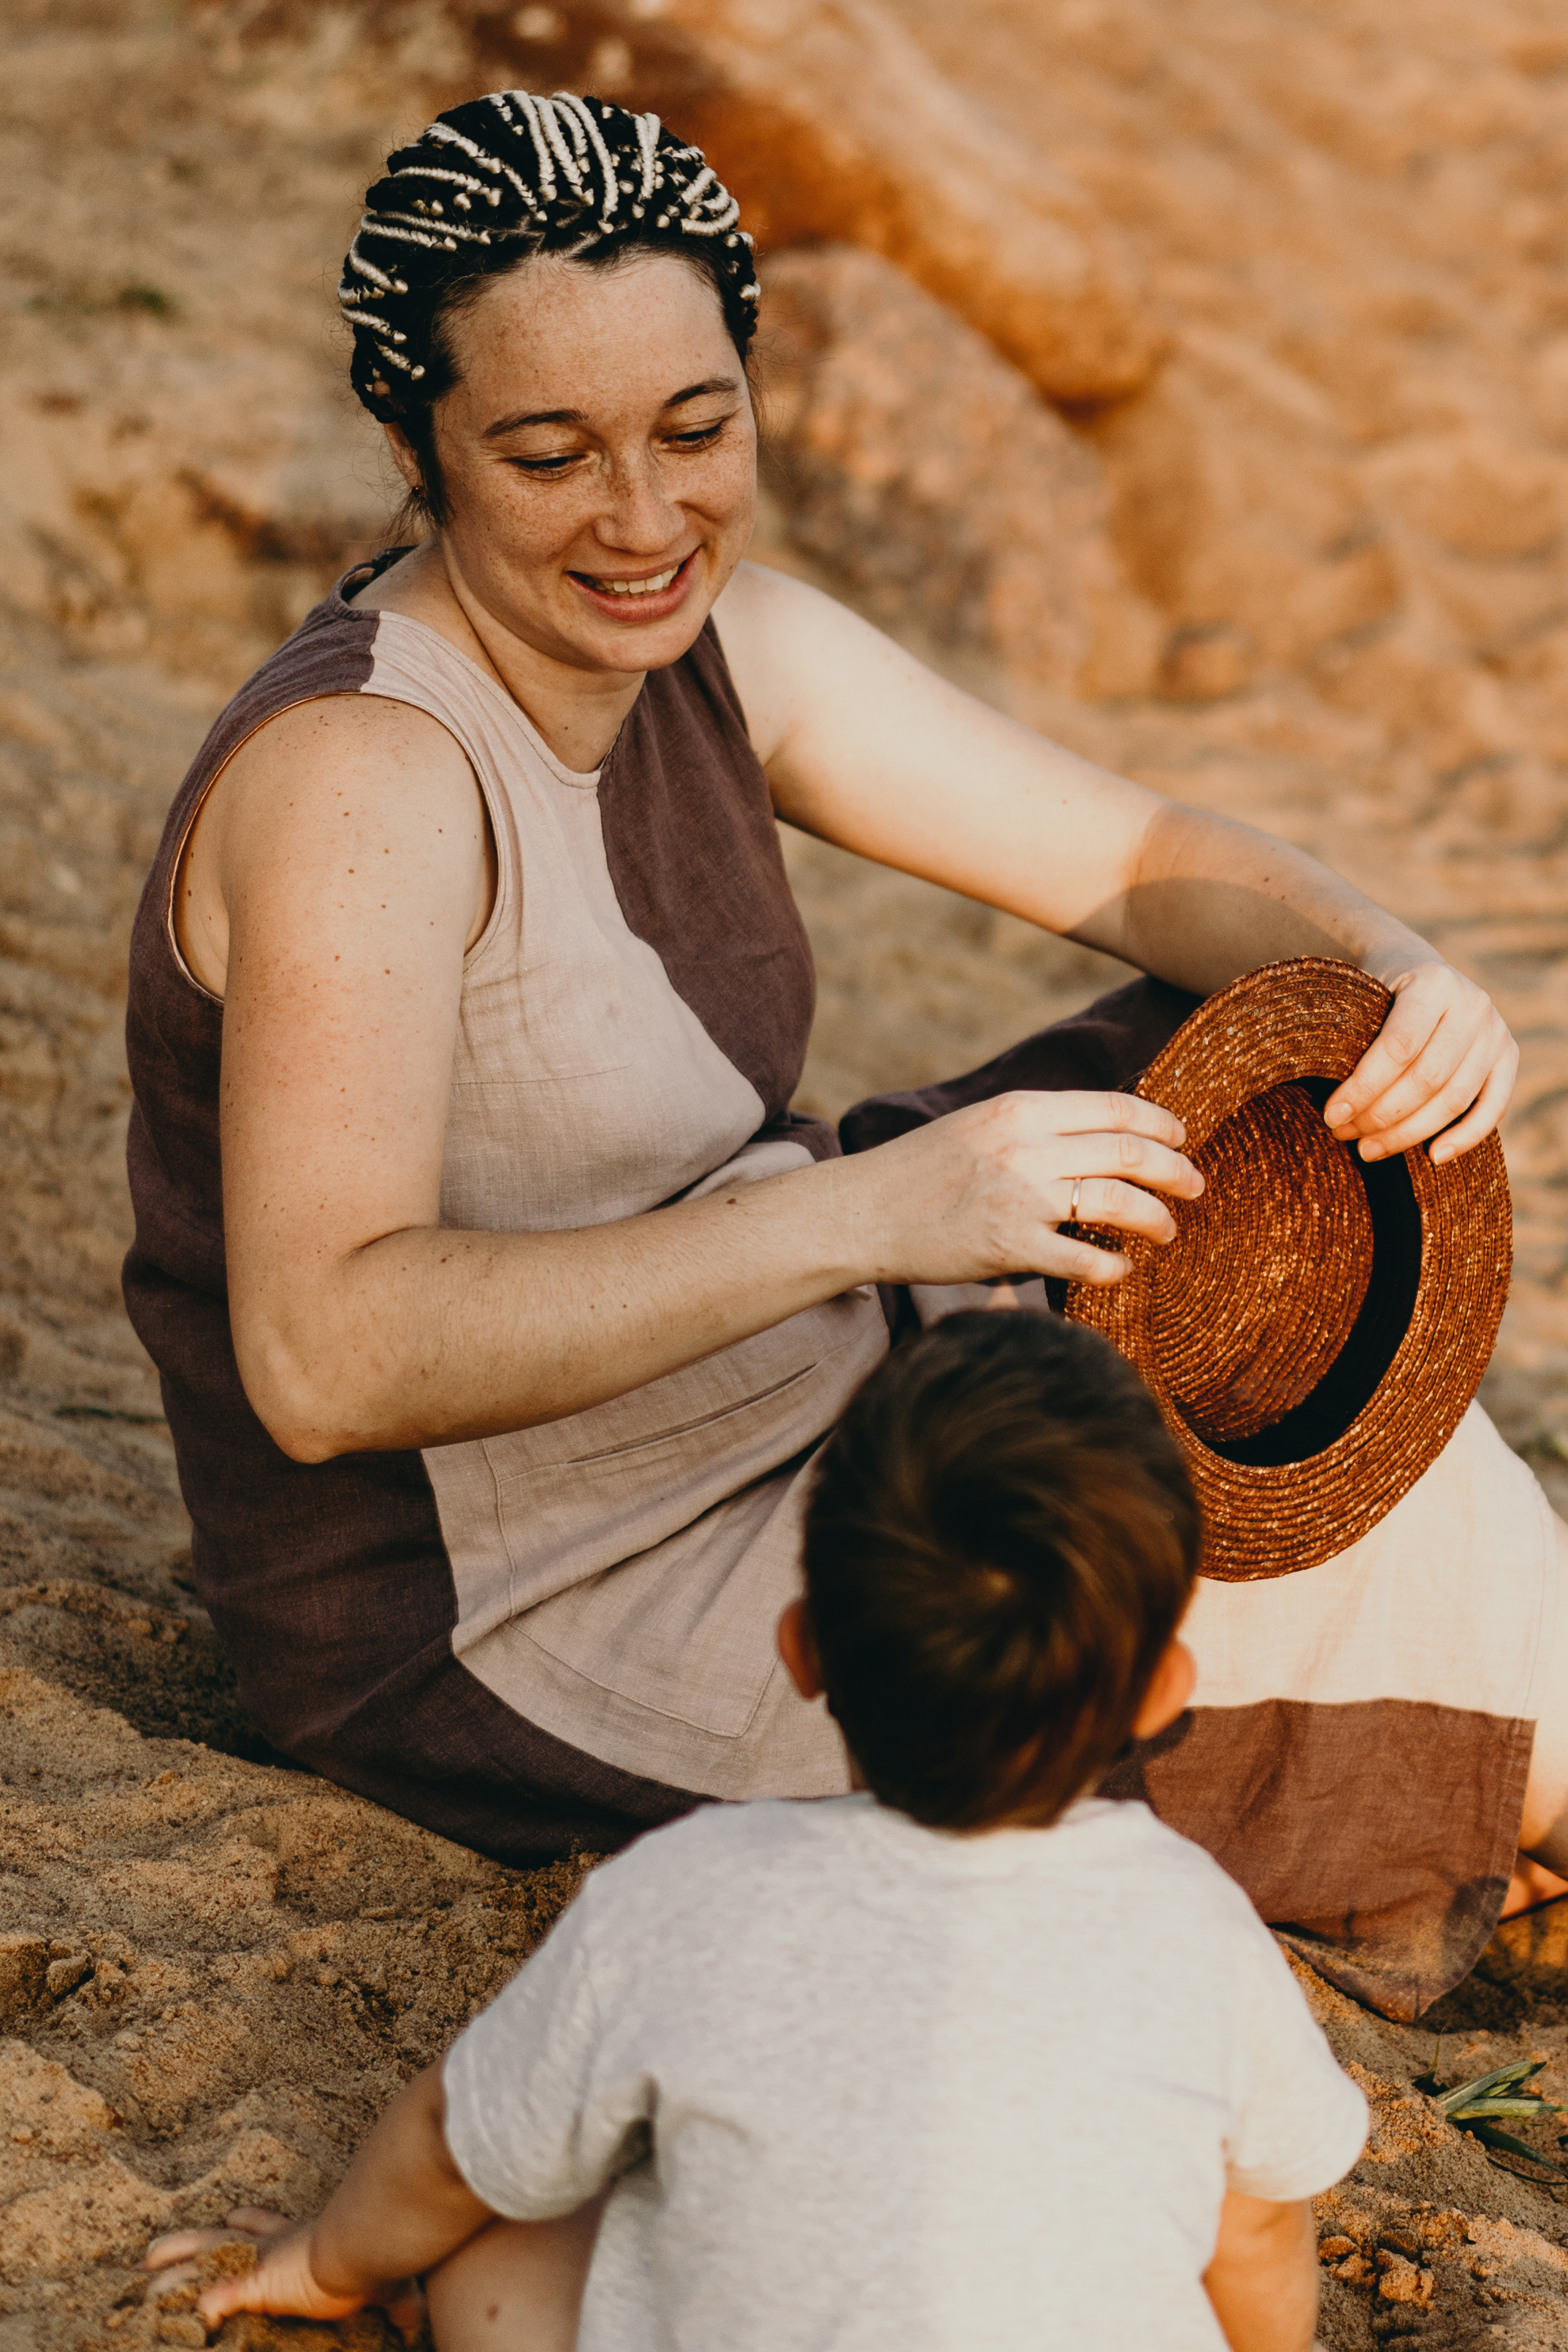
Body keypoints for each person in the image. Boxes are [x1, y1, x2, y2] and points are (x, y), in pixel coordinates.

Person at [122, 90, 1566, 2019]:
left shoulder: (731, 649)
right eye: (548, 455)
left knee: (1259, 1120)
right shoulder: (365, 779)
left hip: (785, 1371)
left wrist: (1388, 960)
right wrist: (876, 1215)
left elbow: (1141, 864)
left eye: (695, 431)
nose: (644, 521)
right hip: (523, 1590)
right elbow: (323, 1359)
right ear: (413, 448)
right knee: (1297, 1654)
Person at [146, 1315, 1369, 2352]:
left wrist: (327, 2268)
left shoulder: (679, 1894)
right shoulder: (1196, 1924)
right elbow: (1258, 2228)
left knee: (503, 2236)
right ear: (1164, 1690)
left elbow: (456, 2149)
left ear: (802, 1651)